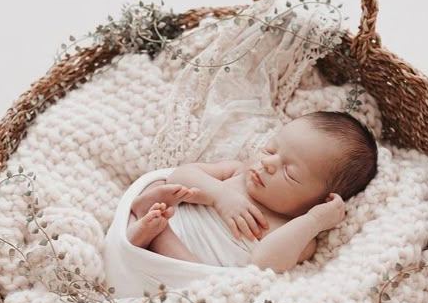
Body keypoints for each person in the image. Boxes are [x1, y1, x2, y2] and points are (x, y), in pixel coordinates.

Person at [125, 111, 378, 274]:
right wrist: (219, 196)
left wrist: (314, 221)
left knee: (197, 277)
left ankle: (150, 234)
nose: (269, 163)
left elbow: (263, 265)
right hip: (170, 218)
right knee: (159, 185)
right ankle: (143, 223)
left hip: (188, 270)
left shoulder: (295, 234)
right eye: (270, 150)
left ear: (320, 201)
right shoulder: (237, 173)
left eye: (290, 173)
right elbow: (180, 176)